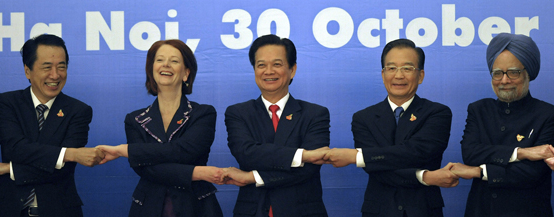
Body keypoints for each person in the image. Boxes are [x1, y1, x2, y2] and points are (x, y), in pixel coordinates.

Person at [323, 38, 456, 217]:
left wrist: (358, 156)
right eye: (391, 68)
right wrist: (425, 177)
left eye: (407, 68)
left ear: (421, 75)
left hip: (424, 210)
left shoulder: (438, 113)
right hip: (378, 211)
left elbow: (417, 153)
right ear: (383, 74)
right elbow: (376, 170)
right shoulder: (363, 118)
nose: (398, 75)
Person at [97, 39, 223, 217]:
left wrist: (125, 151)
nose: (166, 65)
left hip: (196, 207)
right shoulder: (135, 119)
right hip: (148, 207)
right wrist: (196, 172)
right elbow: (145, 169)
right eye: (160, 60)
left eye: (174, 61)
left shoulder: (203, 113)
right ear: (152, 71)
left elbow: (185, 151)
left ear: (186, 73)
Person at [452, 33, 554, 216]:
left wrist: (478, 172)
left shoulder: (549, 115)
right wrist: (521, 153)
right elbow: (470, 153)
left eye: (513, 72)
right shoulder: (479, 110)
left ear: (528, 73)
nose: (504, 80)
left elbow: (532, 173)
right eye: (497, 73)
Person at [0, 34, 104, 217]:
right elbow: (15, 148)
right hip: (8, 208)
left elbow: (63, 168)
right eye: (47, 67)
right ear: (27, 71)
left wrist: (9, 169)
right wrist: (67, 154)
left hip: (59, 209)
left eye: (61, 67)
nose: (55, 75)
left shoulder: (79, 111)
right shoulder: (6, 103)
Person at [223, 34, 330, 217]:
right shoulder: (238, 113)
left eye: (277, 64)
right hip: (253, 211)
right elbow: (247, 155)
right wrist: (301, 155)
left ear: (292, 70)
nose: (269, 71)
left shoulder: (315, 114)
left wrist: (253, 177)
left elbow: (309, 168)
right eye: (261, 65)